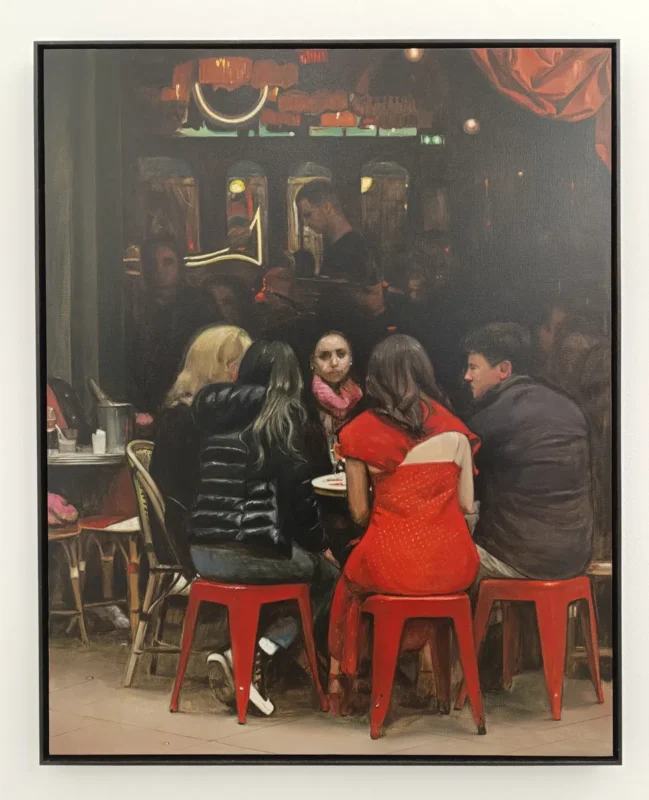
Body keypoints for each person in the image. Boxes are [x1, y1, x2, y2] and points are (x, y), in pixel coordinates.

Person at [327, 335, 480, 712]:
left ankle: (342, 685)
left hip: (390, 561)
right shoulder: (456, 431)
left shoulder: (359, 432)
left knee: (349, 582)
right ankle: (436, 676)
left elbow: (360, 514)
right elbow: (465, 504)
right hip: (454, 566)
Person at [188, 340, 340, 716]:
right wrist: (322, 545)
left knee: (292, 571)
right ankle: (255, 654)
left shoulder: (213, 413)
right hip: (251, 554)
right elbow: (304, 502)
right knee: (333, 577)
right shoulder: (289, 417)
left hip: (202, 553)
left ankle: (243, 654)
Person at [463, 322, 593, 587]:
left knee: (447, 558)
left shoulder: (488, 420)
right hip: (575, 557)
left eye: (474, 367)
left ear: (503, 370)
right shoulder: (568, 407)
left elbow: (466, 489)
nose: (466, 376)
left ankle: (490, 628)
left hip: (522, 560)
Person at [149, 325, 253, 571]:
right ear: (218, 369)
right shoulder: (188, 420)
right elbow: (195, 492)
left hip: (210, 532)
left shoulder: (201, 414)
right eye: (242, 365)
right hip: (197, 541)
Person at [126, 235, 219, 414]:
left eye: (168, 262)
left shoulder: (199, 305)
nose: (159, 270)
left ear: (180, 266)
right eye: (152, 263)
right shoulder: (135, 307)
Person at [296, 181, 374, 283]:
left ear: (327, 207)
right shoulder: (333, 245)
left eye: (308, 215)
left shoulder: (357, 248)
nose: (305, 224)